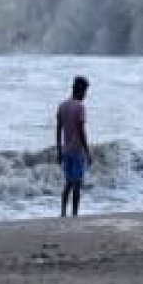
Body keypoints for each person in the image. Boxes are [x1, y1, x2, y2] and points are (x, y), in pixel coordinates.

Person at [56, 76, 92, 217]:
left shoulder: (62, 106)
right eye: (85, 91)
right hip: (77, 151)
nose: (85, 95)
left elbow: (58, 130)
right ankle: (75, 214)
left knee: (68, 183)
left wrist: (59, 150)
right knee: (77, 184)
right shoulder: (80, 107)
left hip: (66, 151)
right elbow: (81, 131)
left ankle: (63, 212)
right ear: (81, 90)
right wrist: (88, 152)